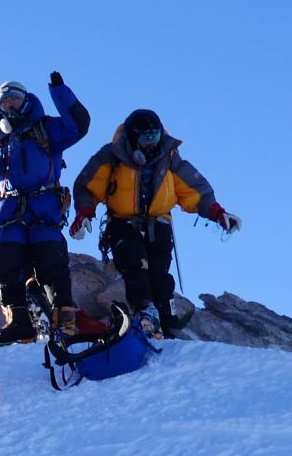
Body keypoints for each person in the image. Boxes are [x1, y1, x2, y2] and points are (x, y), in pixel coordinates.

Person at [70, 108, 241, 335]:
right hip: (122, 223)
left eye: (155, 136)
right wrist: (84, 212)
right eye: (145, 138)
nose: (151, 144)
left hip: (158, 224)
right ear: (133, 137)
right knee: (134, 265)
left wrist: (217, 213)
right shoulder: (112, 155)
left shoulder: (169, 157)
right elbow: (88, 185)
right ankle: (145, 312)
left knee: (159, 273)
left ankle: (167, 318)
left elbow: (193, 188)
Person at [0, 73, 91, 344]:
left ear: (25, 100)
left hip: (44, 204)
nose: (9, 105)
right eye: (4, 102)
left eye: (14, 99)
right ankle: (18, 322)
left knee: (51, 261)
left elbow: (78, 125)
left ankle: (65, 321)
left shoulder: (45, 127)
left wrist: (59, 91)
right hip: (10, 209)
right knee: (4, 263)